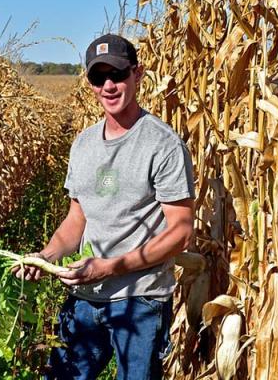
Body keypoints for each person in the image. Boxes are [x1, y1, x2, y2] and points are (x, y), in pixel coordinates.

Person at [14, 34, 196, 380]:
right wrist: (47, 257)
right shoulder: (83, 144)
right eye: (99, 78)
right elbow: (75, 221)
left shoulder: (163, 144)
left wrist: (109, 267)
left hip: (141, 299)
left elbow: (181, 232)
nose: (109, 86)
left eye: (117, 74)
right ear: (90, 83)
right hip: (85, 298)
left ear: (137, 74)